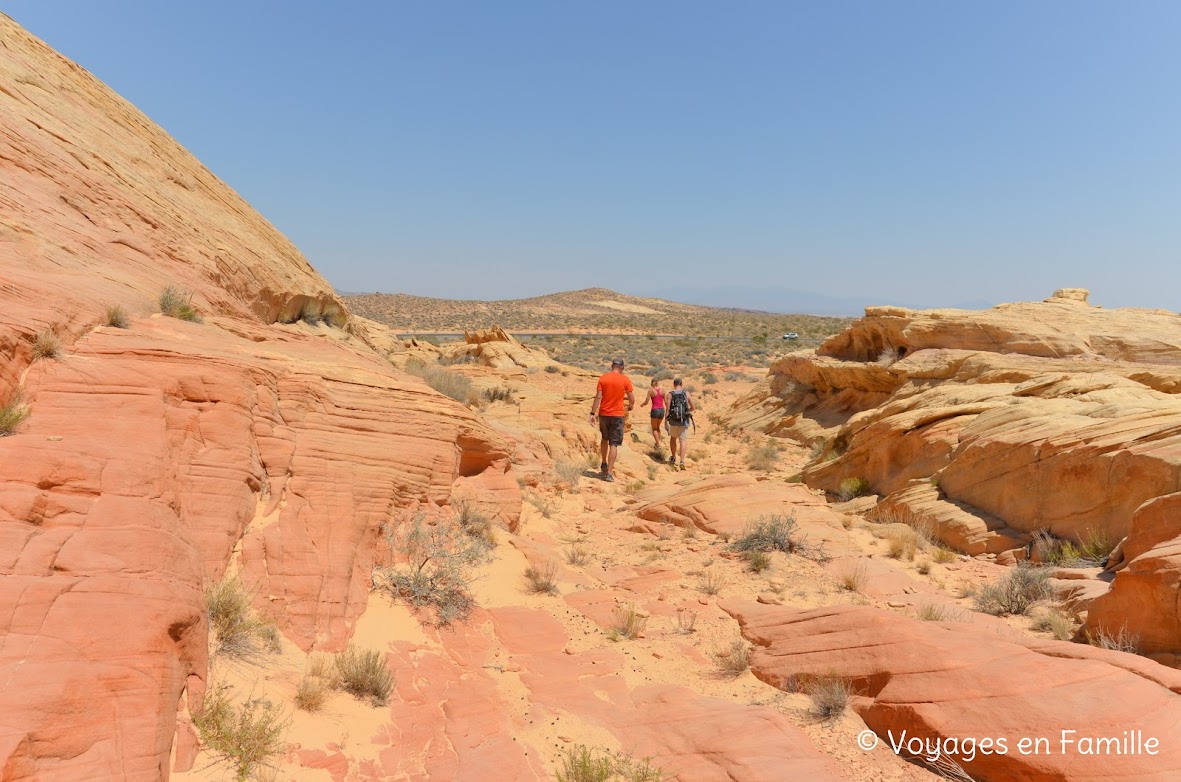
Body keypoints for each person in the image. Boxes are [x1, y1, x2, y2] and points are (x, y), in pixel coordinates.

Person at [588, 358, 635, 482]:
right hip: (617, 415)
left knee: (604, 438)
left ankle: (603, 462)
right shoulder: (625, 380)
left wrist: (592, 412)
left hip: (604, 413)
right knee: (613, 443)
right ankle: (609, 472)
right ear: (622, 367)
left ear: (611, 366)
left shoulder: (603, 378)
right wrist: (630, 406)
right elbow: (631, 398)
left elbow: (598, 396)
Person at [664, 377, 695, 470]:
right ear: (681, 384)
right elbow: (693, 407)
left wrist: (666, 421)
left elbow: (668, 409)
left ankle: (673, 457)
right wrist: (686, 411)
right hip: (683, 420)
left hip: (673, 421)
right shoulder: (686, 393)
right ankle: (681, 461)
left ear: (674, 384)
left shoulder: (670, 394)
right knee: (683, 440)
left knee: (673, 438)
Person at [640, 378, 666, 447]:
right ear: (658, 383)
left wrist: (642, 405)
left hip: (655, 410)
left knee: (654, 428)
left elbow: (646, 402)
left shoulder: (650, 391)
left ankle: (658, 444)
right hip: (662, 410)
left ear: (652, 383)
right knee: (658, 427)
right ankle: (659, 441)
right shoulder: (663, 390)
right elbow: (666, 402)